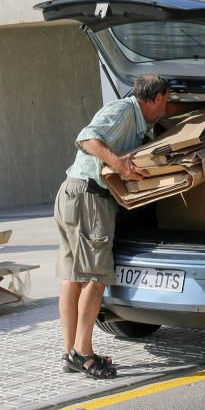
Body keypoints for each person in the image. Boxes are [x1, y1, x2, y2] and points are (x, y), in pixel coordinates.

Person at [55, 74, 173, 379]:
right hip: (88, 197)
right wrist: (118, 163)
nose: (167, 107)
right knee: (96, 276)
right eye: (167, 101)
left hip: (75, 193)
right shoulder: (123, 110)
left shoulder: (139, 122)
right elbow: (86, 137)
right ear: (156, 98)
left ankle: (70, 354)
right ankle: (84, 353)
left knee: (74, 278)